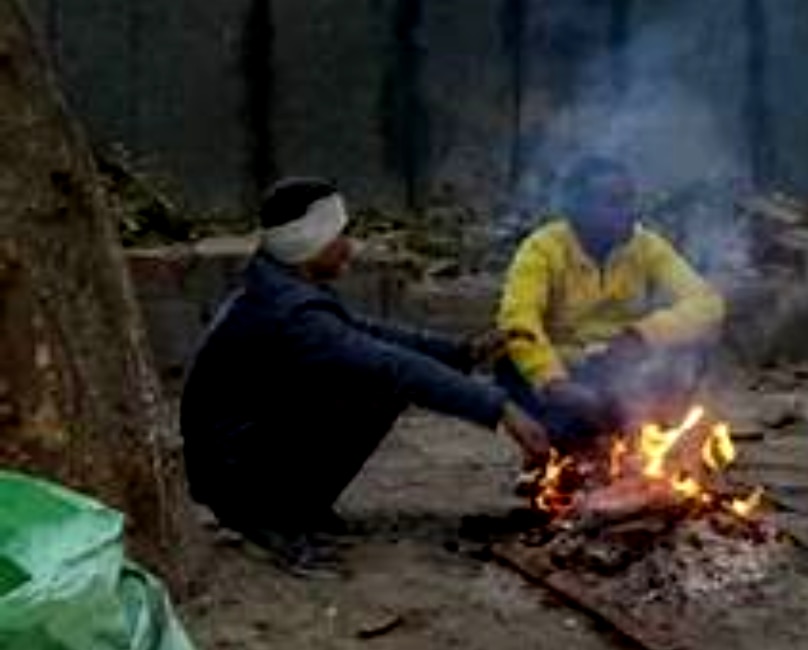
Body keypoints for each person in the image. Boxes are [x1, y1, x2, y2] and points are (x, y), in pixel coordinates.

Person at [180, 177, 551, 574]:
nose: (350, 245)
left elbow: (369, 333)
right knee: (376, 382)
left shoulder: (281, 285)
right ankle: (274, 519)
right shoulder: (291, 314)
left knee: (373, 379)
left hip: (231, 463)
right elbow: (390, 364)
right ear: (307, 243)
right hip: (234, 476)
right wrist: (501, 409)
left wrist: (461, 351)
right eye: (340, 234)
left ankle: (294, 508)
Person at [495, 157, 726, 460]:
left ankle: (631, 440)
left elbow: (708, 303)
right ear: (576, 209)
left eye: (630, 200)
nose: (629, 212)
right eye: (613, 203)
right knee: (510, 363)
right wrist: (554, 382)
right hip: (561, 369)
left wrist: (641, 336)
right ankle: (565, 451)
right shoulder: (542, 249)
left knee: (692, 350)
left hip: (621, 367)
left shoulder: (645, 246)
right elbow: (518, 321)